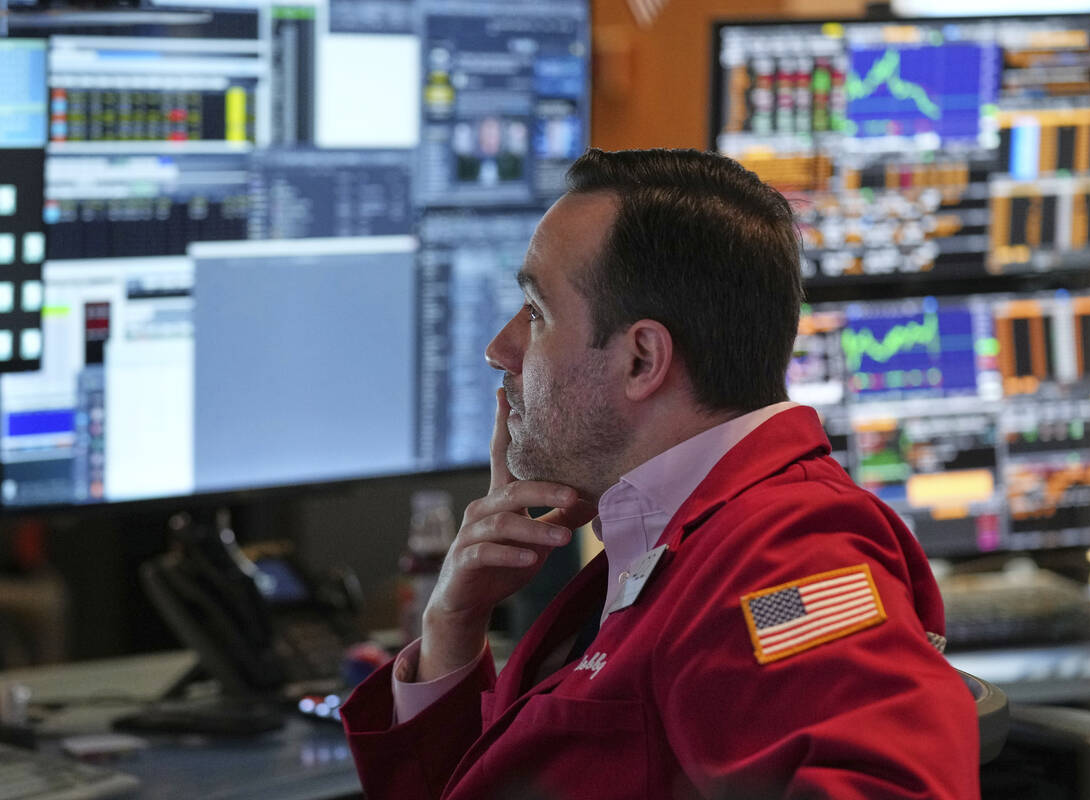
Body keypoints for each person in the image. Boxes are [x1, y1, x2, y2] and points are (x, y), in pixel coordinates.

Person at [341, 148, 979, 799]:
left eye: (536, 313)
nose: (500, 349)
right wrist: (452, 628)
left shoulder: (787, 561)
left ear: (642, 359)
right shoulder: (665, 544)